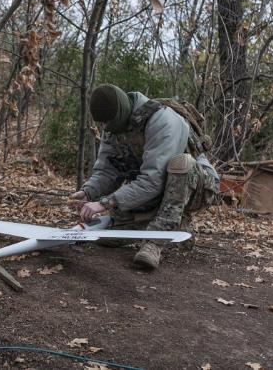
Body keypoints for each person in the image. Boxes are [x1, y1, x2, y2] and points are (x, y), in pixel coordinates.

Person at [69, 84, 219, 270]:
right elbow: (107, 171)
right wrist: (88, 192)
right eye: (101, 123)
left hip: (198, 185)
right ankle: (179, 227)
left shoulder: (162, 120)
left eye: (107, 123)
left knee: (181, 164)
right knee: (109, 237)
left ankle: (155, 241)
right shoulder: (113, 126)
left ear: (119, 114)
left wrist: (105, 203)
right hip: (156, 187)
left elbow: (152, 180)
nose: (103, 127)